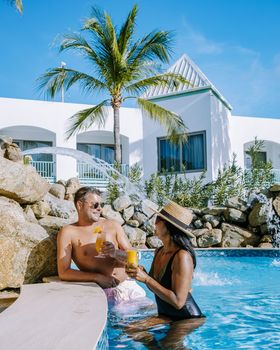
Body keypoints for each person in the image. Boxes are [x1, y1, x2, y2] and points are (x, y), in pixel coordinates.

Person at [126, 201, 205, 346]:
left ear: (168, 226)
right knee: (131, 329)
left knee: (168, 346)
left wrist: (146, 280)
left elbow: (178, 302)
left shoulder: (182, 256)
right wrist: (141, 273)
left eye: (157, 220)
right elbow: (154, 285)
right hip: (166, 315)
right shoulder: (159, 251)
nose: (153, 223)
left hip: (187, 318)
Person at [57, 186, 146, 302]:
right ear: (80, 205)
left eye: (101, 205)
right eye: (95, 205)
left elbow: (133, 259)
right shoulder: (68, 232)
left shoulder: (112, 225)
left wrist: (114, 253)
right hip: (102, 292)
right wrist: (97, 278)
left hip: (128, 286)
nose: (99, 209)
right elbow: (64, 272)